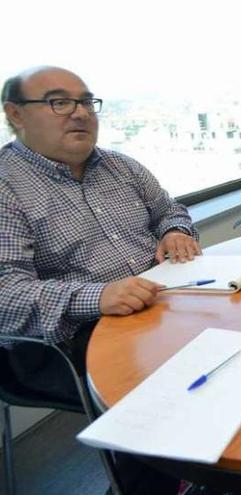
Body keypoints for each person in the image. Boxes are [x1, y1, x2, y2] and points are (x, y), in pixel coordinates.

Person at [0, 66, 199, 493]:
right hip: (65, 340)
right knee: (176, 377)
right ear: (15, 113)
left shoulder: (120, 166)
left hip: (157, 304)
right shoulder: (6, 186)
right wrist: (97, 296)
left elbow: (169, 208)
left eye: (87, 102)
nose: (80, 113)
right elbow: (6, 295)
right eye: (59, 102)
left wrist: (175, 230)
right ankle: (161, 481)